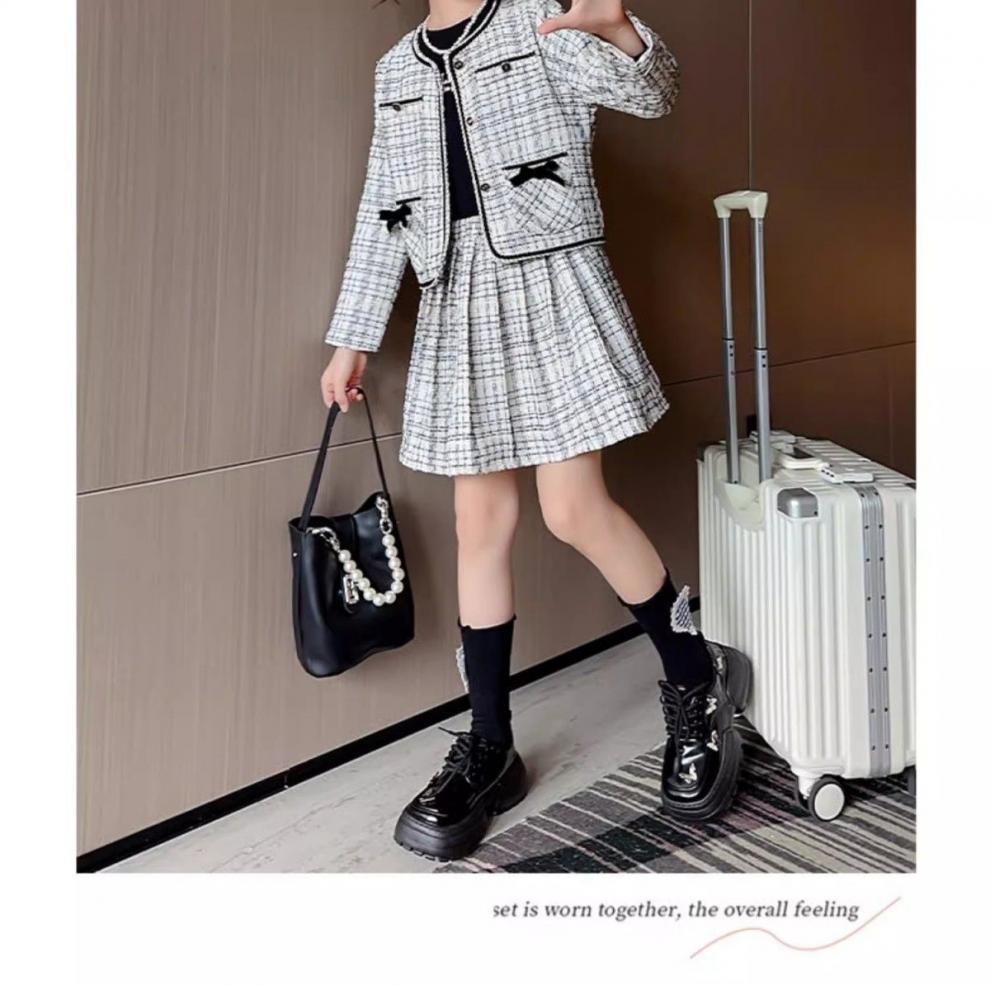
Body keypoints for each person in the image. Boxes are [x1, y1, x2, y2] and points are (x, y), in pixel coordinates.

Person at [320, 0, 752, 861]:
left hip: (552, 285)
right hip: (455, 302)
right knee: (477, 522)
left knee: (573, 509)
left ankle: (696, 681)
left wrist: (617, 30)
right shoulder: (396, 67)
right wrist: (353, 334)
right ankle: (490, 747)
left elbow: (653, 94)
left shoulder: (539, 22)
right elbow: (383, 206)